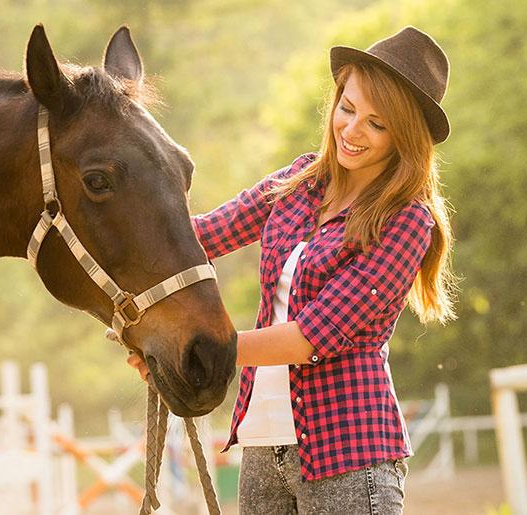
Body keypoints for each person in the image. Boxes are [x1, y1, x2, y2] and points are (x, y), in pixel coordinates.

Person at [126, 26, 456, 514]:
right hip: (262, 443)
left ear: (404, 137)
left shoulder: (407, 222)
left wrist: (201, 349)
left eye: (377, 124)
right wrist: (115, 231)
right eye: (347, 108)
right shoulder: (299, 181)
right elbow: (204, 235)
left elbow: (312, 337)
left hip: (350, 454)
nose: (351, 130)